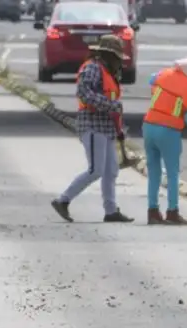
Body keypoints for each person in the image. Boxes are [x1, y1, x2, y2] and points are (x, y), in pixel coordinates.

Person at [51, 35, 133, 223]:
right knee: (96, 170)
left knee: (111, 170)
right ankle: (63, 200)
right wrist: (110, 105)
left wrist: (119, 129)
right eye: (117, 57)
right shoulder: (92, 68)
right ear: (107, 54)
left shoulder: (108, 71)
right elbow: (84, 93)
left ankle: (111, 211)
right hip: (93, 124)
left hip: (107, 127)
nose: (119, 61)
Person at [143, 52, 187, 224]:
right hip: (169, 131)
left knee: (154, 172)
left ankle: (152, 211)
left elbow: (151, 81)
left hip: (149, 126)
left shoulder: (164, 74)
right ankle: (172, 212)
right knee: (173, 173)